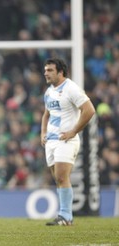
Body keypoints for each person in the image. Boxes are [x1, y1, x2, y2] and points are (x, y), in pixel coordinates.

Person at [41, 58, 95, 226]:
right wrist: (43, 132)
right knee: (58, 179)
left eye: (50, 70)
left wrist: (73, 131)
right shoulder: (49, 91)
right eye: (45, 70)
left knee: (62, 177)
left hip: (66, 140)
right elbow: (46, 114)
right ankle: (64, 216)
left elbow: (89, 110)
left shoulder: (71, 88)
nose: (46, 73)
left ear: (60, 72)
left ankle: (65, 216)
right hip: (51, 141)